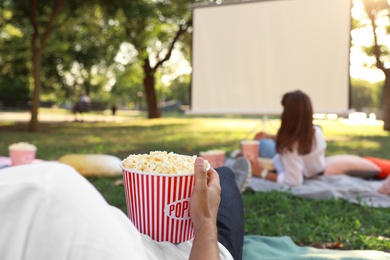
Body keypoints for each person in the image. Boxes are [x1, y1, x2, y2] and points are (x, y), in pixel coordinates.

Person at [0, 157, 249, 260]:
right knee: (222, 176)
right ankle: (230, 177)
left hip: (133, 232)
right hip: (194, 249)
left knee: (220, 177)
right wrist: (205, 219)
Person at [249, 90, 327, 186]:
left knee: (262, 144)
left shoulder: (288, 148)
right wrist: (270, 136)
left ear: (287, 115)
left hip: (286, 165)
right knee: (264, 141)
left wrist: (262, 172)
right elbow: (298, 137)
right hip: (316, 170)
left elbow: (294, 180)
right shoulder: (317, 131)